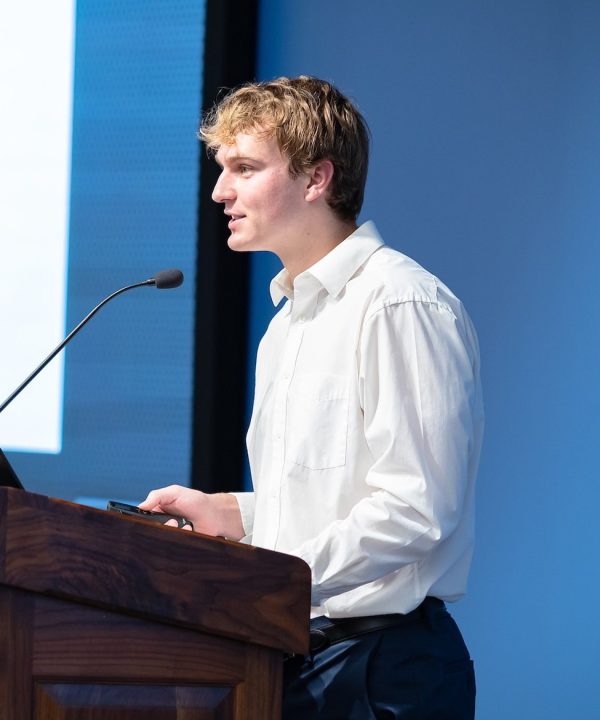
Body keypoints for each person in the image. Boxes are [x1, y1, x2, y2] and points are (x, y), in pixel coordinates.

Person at [140, 76, 483, 719]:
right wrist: (233, 516)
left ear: (316, 179)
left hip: (384, 671)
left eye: (244, 168)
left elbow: (416, 508)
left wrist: (269, 577)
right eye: (222, 169)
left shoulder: (399, 303)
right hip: (297, 658)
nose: (220, 191)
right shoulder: (288, 322)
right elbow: (332, 495)